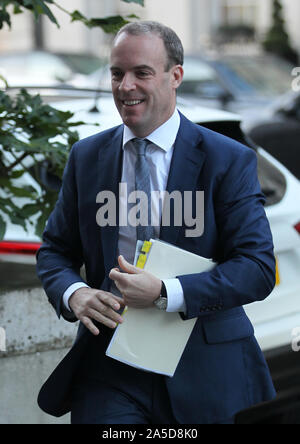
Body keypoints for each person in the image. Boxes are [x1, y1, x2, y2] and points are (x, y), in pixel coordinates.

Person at [36, 21, 276, 425]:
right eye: (117, 73)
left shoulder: (227, 160)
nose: (125, 86)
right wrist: (74, 293)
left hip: (205, 366)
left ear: (175, 75)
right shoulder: (87, 157)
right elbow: (55, 251)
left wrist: (167, 292)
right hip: (110, 369)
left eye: (141, 72)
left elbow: (257, 268)